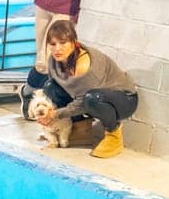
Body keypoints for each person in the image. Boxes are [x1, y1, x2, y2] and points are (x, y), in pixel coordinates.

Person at [31, 18, 137, 159]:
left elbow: (82, 103)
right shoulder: (54, 61)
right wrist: (47, 116)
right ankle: (81, 128)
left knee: (92, 98)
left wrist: (55, 115)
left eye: (63, 43)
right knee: (50, 87)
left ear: (74, 43)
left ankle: (113, 134)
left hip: (124, 100)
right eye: (53, 44)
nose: (57, 49)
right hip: (87, 98)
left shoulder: (86, 67)